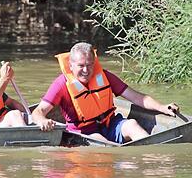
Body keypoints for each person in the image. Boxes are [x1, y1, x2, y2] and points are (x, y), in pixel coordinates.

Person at [31, 42, 179, 144]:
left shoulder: (104, 76)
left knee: (132, 124)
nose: (86, 70)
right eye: (81, 65)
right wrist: (42, 121)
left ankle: (154, 157)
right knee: (102, 142)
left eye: (89, 65)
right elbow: (38, 111)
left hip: (110, 124)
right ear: (70, 65)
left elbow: (137, 97)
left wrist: (162, 107)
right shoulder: (61, 84)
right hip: (84, 132)